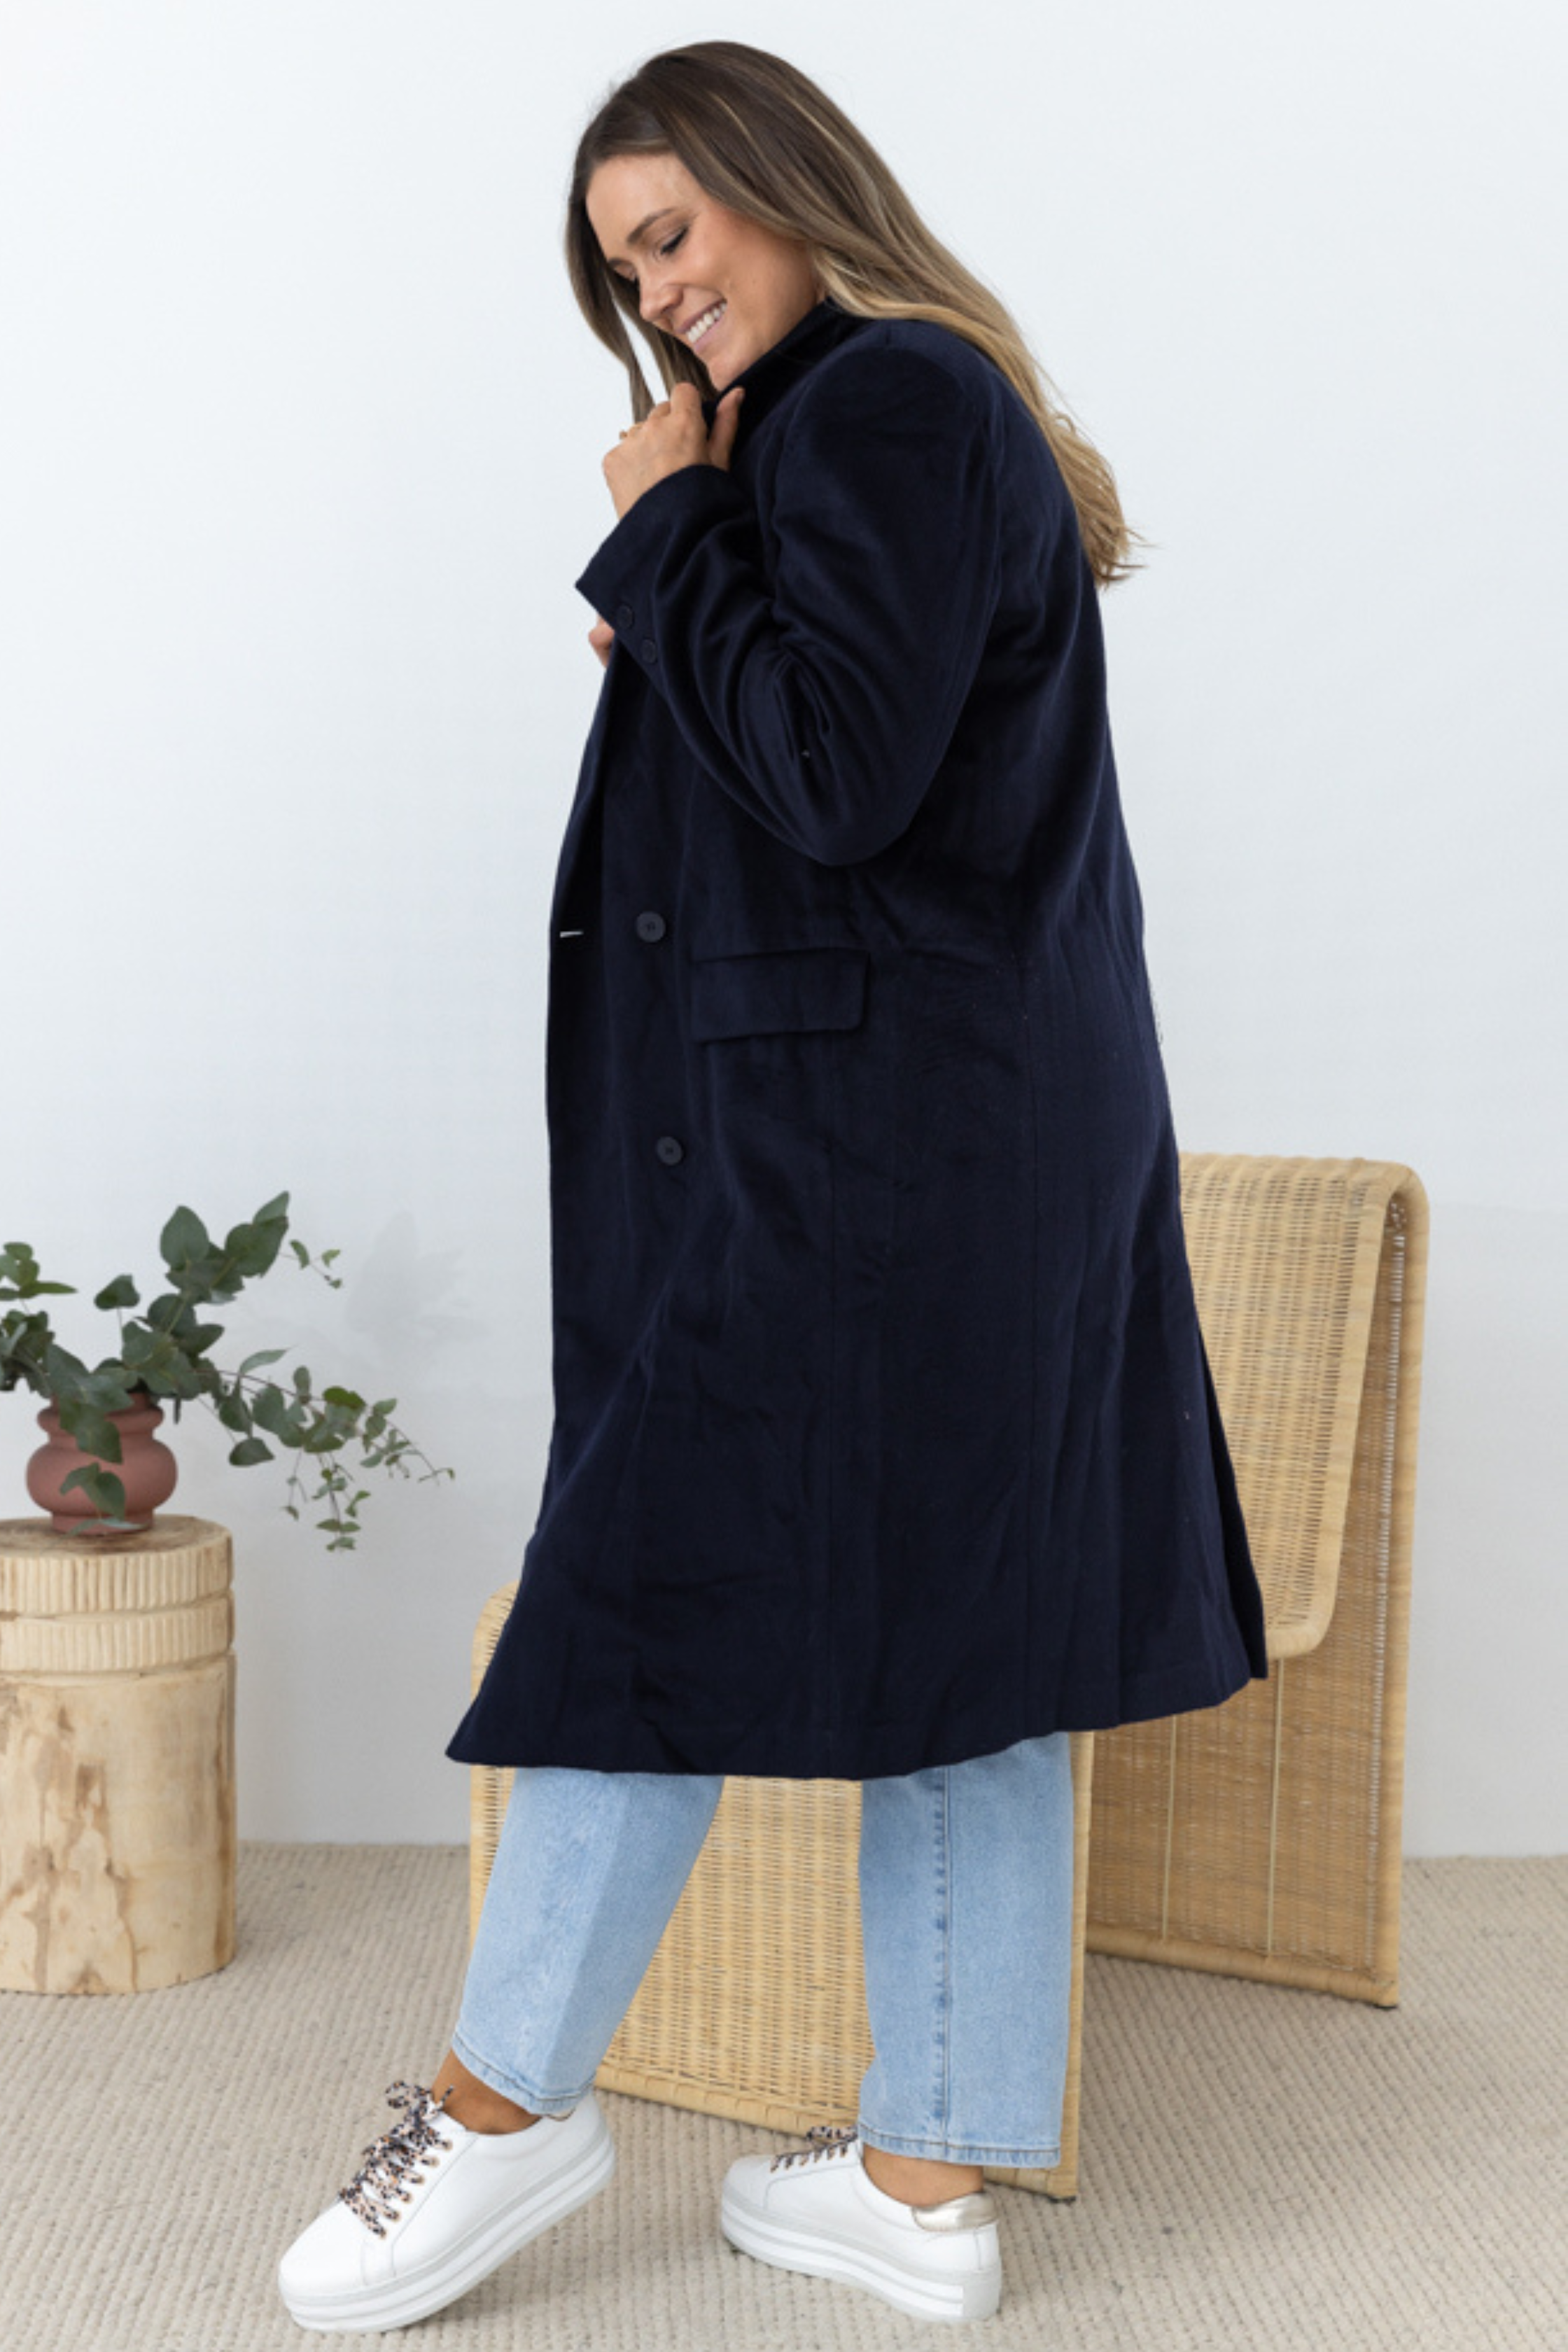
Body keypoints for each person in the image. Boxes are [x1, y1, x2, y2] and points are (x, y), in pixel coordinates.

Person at [276, 37, 1269, 2334]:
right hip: (960, 1143)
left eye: (674, 235)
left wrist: (670, 534)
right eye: (626, 272)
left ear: (784, 181)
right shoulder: (867, 418)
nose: (658, 292)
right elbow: (852, 752)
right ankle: (919, 2185)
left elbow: (832, 776)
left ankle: (500, 2115)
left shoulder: (884, 401)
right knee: (973, 1635)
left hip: (873, 1161)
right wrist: (696, 573)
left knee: (639, 1603)